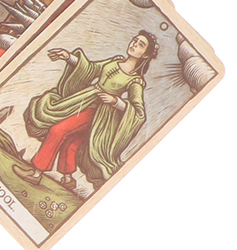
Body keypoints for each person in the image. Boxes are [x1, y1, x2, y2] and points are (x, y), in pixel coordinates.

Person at [13, 31, 157, 192]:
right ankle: (68, 179)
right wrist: (68, 57)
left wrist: (115, 101)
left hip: (98, 113)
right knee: (72, 139)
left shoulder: (135, 81)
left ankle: (36, 173)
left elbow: (138, 112)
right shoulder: (115, 61)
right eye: (135, 40)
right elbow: (91, 68)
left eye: (140, 45)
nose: (134, 44)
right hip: (84, 100)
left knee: (58, 130)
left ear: (145, 55)